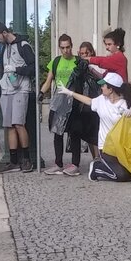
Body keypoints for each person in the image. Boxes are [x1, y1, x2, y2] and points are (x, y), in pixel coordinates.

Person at [61, 72, 131, 181]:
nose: (101, 88)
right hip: (106, 148)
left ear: (111, 89)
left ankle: (111, 167)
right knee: (121, 176)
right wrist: (70, 93)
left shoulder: (125, 104)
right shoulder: (101, 100)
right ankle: (96, 167)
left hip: (123, 148)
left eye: (103, 85)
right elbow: (89, 101)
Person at [0, 21, 36, 173]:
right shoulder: (4, 49)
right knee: (9, 125)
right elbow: (3, 74)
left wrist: (16, 69)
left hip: (21, 89)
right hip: (6, 90)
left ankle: (26, 159)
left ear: (4, 33)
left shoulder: (23, 45)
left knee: (18, 124)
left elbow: (33, 68)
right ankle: (13, 160)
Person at [39, 33, 82, 176]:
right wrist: (41, 92)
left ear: (71, 46)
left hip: (74, 100)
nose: (66, 50)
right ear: (59, 48)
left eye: (68, 47)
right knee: (57, 132)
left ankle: (75, 163)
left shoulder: (78, 61)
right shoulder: (56, 61)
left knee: (74, 133)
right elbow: (49, 79)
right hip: (59, 100)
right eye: (63, 48)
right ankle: (58, 163)